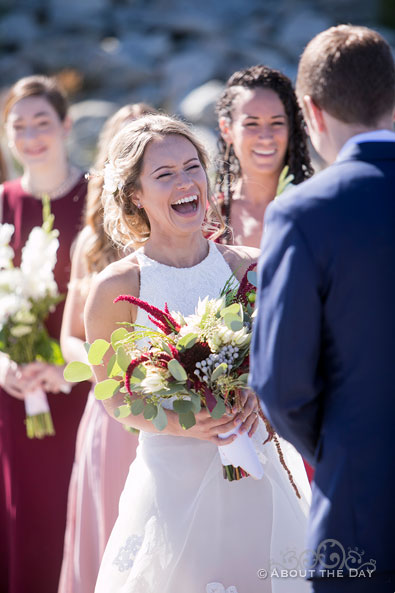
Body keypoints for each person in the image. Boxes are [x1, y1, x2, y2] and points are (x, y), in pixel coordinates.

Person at [84, 113, 311, 593]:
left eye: (192, 167)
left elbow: (288, 361)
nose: (185, 182)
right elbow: (114, 398)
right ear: (134, 196)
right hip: (173, 482)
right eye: (164, 175)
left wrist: (258, 396)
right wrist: (184, 421)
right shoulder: (117, 288)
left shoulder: (251, 267)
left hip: (257, 468)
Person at [250, 25, 395, 593]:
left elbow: (281, 383)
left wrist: (342, 450)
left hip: (361, 516)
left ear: (310, 111)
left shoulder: (304, 215)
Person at [58, 102, 156, 593]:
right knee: (116, 545)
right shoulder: (90, 244)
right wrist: (112, 371)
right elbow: (70, 338)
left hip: (174, 405)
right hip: (113, 412)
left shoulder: (184, 234)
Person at [0, 75, 89, 593]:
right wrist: (4, 364)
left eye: (43, 122)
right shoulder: (3, 202)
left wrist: (66, 368)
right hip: (14, 396)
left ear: (66, 126)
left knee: (74, 511)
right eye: (19, 125)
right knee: (23, 518)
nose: (31, 135)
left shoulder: (97, 197)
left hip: (79, 388)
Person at [214, 65, 313, 247]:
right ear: (226, 129)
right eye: (252, 124)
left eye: (277, 122)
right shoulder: (207, 218)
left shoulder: (314, 210)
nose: (266, 137)